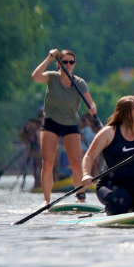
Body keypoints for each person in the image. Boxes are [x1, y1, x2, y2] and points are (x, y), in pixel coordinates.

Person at [30, 49, 97, 205]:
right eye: (64, 62)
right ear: (59, 64)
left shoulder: (79, 82)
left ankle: (81, 199)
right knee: (48, 163)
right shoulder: (52, 77)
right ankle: (47, 201)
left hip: (71, 124)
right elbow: (35, 77)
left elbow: (90, 102)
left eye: (71, 62)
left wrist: (92, 108)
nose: (68, 65)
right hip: (51, 123)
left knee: (76, 162)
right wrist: (48, 58)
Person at [79, 96, 134, 216]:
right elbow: (89, 156)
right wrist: (86, 175)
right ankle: (117, 209)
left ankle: (132, 208)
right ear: (127, 112)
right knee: (120, 202)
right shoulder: (108, 132)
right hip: (111, 185)